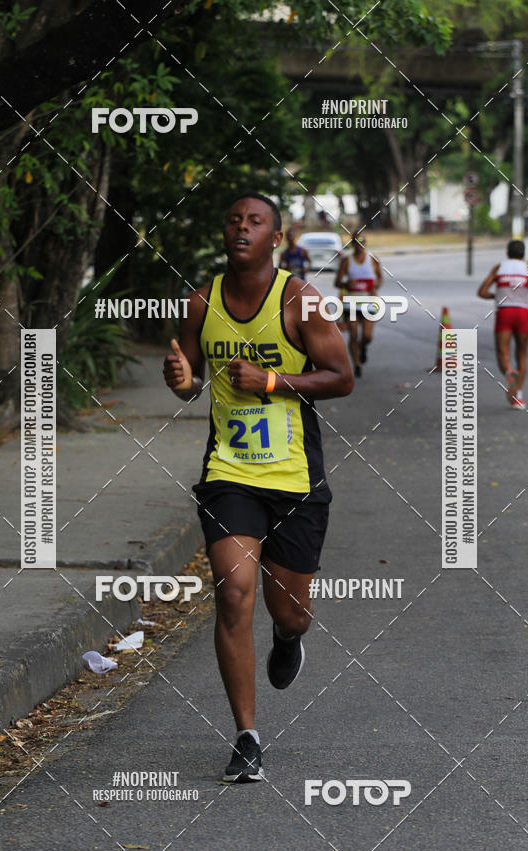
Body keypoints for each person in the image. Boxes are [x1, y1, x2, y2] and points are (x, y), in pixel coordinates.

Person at [163, 193, 353, 783]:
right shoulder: (201, 302)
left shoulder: (300, 300)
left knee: (290, 612)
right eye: (233, 218)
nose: (241, 227)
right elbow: (190, 383)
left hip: (294, 477)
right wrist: (182, 381)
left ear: (275, 238)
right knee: (234, 593)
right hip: (230, 475)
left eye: (255, 222)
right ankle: (246, 736)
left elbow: (342, 378)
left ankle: (288, 636)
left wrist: (272, 378)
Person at [477, 239, 528, 409]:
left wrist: (496, 296)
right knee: (521, 355)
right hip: (522, 313)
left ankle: (509, 372)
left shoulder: (499, 268)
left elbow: (482, 291)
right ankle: (519, 397)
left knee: (503, 352)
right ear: (523, 255)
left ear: (507, 253)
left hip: (505, 313)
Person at [334, 232, 383, 377]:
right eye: (356, 241)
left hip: (369, 303)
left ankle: (363, 347)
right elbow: (337, 282)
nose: (360, 243)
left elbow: (380, 277)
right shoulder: (347, 261)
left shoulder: (373, 259)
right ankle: (357, 364)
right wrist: (346, 283)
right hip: (352, 304)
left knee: (367, 336)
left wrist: (376, 286)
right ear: (353, 244)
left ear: (366, 242)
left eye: (362, 240)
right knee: (353, 335)